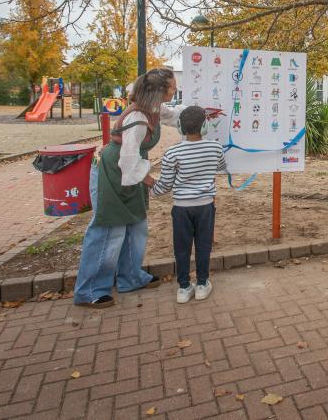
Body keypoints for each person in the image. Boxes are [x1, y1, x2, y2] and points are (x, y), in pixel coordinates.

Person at [74, 68, 183, 308]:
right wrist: (155, 183)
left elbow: (175, 116)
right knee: (108, 230)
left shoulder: (154, 109)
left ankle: (130, 277)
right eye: (172, 87)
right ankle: (90, 290)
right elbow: (128, 160)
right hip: (115, 171)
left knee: (136, 225)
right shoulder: (137, 118)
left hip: (130, 170)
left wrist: (205, 114)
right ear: (159, 91)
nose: (175, 90)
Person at [152, 106, 227, 303]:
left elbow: (165, 185)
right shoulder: (215, 148)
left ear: (180, 127)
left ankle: (184, 287)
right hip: (205, 206)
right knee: (204, 245)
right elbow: (221, 167)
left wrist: (150, 189)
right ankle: (202, 284)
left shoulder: (172, 153)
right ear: (204, 127)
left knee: (182, 247)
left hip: (181, 208)